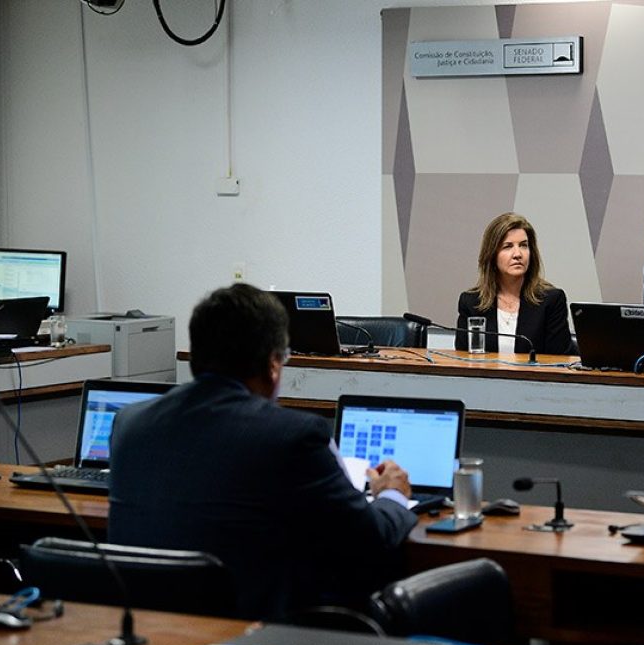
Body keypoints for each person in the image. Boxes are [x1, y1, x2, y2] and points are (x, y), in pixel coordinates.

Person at [108, 283, 417, 620]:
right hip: (258, 640)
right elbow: (368, 543)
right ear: (273, 365)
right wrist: (392, 496)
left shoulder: (129, 423)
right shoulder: (293, 435)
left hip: (149, 630)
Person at [456, 212, 572, 355]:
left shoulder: (551, 300)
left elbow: (559, 360)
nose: (518, 254)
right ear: (492, 254)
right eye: (508, 246)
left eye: (523, 245)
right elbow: (461, 360)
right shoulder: (471, 302)